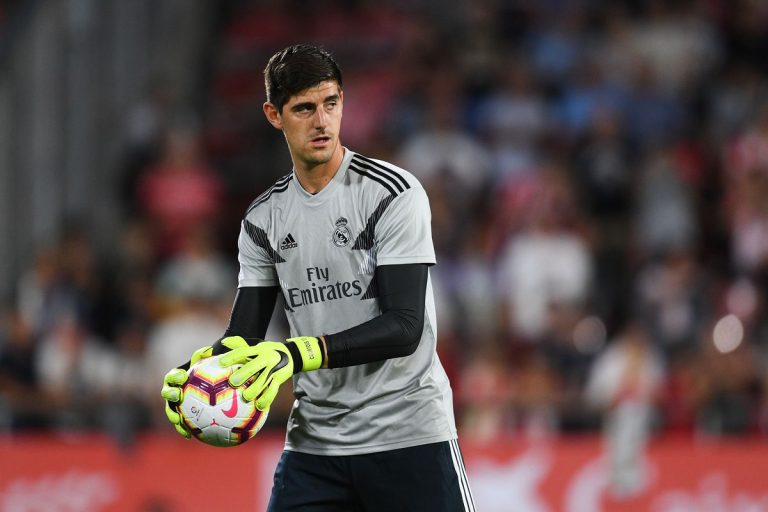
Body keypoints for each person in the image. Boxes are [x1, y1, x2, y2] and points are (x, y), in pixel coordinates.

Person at [161, 44, 476, 512]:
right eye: (304, 109)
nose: (322, 121)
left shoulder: (392, 193)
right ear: (274, 115)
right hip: (316, 447)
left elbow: (405, 326)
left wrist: (295, 353)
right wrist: (200, 378)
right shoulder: (263, 219)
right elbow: (245, 338)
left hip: (408, 435)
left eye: (331, 103)